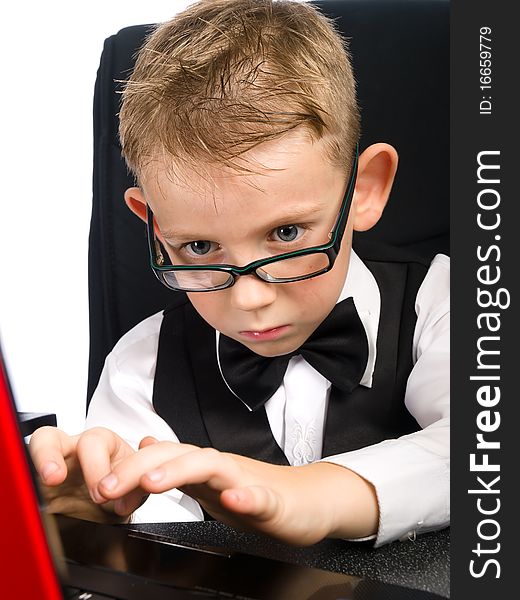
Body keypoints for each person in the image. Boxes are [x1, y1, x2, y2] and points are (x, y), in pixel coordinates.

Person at [29, 0, 449, 547]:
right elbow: (156, 540)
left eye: (287, 234)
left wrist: (308, 495)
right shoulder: (141, 366)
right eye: (199, 246)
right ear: (154, 228)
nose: (249, 298)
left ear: (364, 191)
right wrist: (90, 518)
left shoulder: (446, 300)